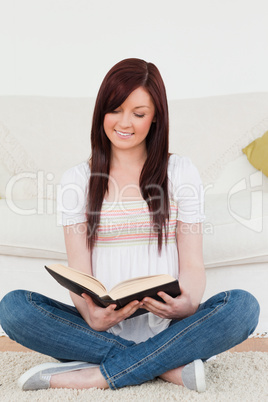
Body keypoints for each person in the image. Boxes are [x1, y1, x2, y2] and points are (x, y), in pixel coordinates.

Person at [0, 58, 260, 393]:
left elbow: (193, 263)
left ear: (155, 119)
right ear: (101, 113)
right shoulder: (77, 181)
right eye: (116, 110)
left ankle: (96, 374)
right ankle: (167, 366)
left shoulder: (180, 172)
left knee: (243, 307)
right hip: (100, 328)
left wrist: (189, 304)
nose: (125, 123)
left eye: (139, 113)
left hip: (169, 324)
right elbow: (80, 272)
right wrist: (91, 314)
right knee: (14, 308)